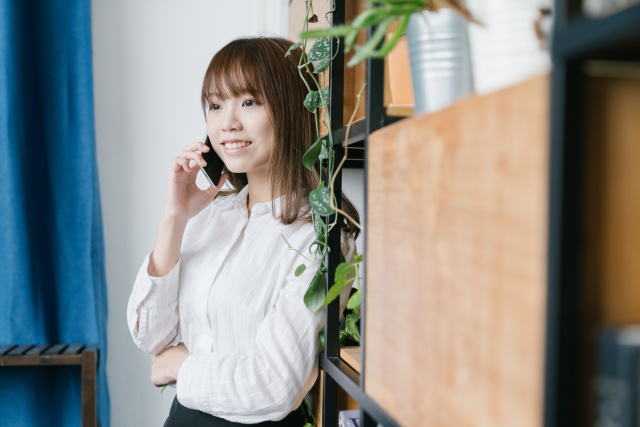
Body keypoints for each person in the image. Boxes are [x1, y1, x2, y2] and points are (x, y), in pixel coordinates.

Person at [126, 36, 360, 427]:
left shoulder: (321, 235)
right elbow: (150, 337)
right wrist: (174, 219)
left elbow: (273, 386)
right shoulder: (213, 217)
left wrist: (182, 366)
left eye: (249, 102)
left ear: (289, 109)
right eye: (216, 105)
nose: (227, 122)